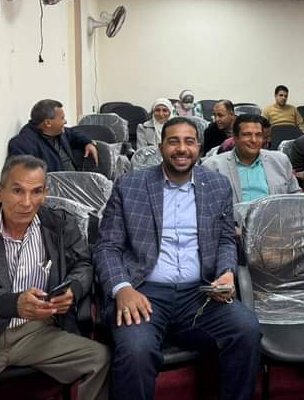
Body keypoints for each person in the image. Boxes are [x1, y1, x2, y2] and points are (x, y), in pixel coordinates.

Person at [93, 117, 261, 400]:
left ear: (199, 148)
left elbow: (225, 239)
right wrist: (122, 288)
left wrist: (226, 272)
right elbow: (106, 246)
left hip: (200, 294)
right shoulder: (130, 185)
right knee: (136, 351)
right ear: (161, 147)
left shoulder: (217, 186)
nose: (182, 149)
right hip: (143, 291)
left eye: (189, 141)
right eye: (173, 141)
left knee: (246, 330)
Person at [0, 155, 109, 398]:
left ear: (45, 193)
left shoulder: (59, 226)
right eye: (17, 191)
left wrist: (73, 288)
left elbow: (83, 263)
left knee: (100, 359)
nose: (27, 202)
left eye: (36, 191)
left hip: (36, 332)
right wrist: (10, 304)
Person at [203, 114, 301, 203]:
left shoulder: (280, 161)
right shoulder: (213, 167)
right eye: (247, 135)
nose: (254, 140)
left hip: (276, 216)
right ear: (235, 138)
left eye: (258, 135)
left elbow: (296, 197)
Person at [8, 99, 98, 171]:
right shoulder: (24, 144)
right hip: (54, 187)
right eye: (62, 118)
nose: (65, 121)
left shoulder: (59, 131)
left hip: (76, 181)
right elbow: (23, 175)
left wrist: (88, 143)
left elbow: (74, 134)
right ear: (48, 123)